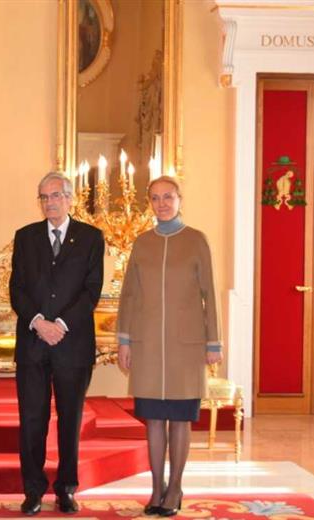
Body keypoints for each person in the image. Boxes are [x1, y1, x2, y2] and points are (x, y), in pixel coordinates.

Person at [116, 175, 222, 517]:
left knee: (179, 420)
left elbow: (210, 294)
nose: (162, 203)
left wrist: (214, 342)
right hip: (147, 346)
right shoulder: (142, 243)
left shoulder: (196, 241)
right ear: (150, 203)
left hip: (186, 347)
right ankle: (156, 487)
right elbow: (129, 295)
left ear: (179, 200)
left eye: (168, 197)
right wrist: (124, 339)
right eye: (156, 198)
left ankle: (175, 486)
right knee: (153, 420)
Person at [9, 171, 104, 516]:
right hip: (33, 344)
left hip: (72, 344)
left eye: (56, 196)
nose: (50, 202)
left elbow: (91, 290)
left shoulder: (91, 238)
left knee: (69, 420)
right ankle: (33, 489)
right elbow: (16, 289)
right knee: (32, 420)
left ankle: (66, 489)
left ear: (70, 198)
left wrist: (60, 324)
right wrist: (38, 323)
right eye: (44, 197)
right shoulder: (26, 237)